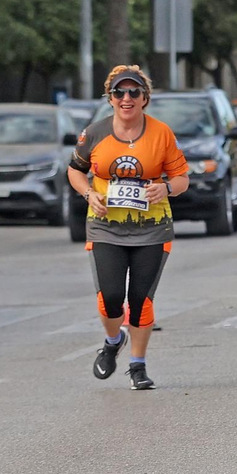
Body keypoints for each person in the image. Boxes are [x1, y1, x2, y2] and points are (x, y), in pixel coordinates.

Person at [67, 65, 189, 391]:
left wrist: (166, 188)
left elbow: (182, 178)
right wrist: (89, 192)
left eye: (134, 92)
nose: (127, 98)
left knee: (140, 300)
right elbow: (75, 170)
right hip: (105, 226)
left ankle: (138, 365)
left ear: (145, 98)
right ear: (110, 99)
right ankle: (112, 340)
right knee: (110, 297)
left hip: (152, 228)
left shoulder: (161, 133)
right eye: (119, 92)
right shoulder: (94, 133)